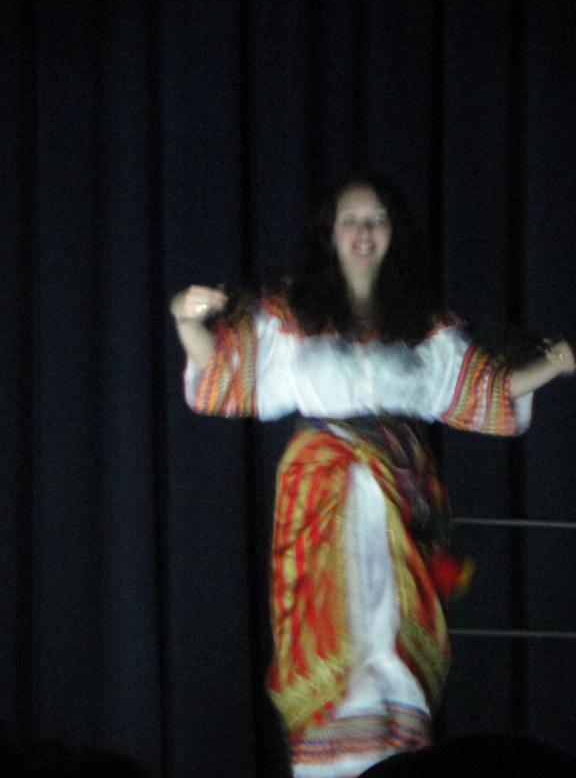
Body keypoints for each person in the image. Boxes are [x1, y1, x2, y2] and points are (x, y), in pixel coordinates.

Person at [170, 174, 573, 778]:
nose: (364, 232)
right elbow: (225, 375)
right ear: (330, 233)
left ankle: (396, 760)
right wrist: (186, 321)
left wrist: (556, 365)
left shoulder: (426, 324)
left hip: (402, 500)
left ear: (393, 234)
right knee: (335, 629)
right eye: (351, 220)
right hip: (319, 496)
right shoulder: (289, 313)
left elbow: (478, 390)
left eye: (377, 220)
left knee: (393, 635)